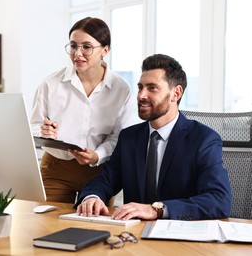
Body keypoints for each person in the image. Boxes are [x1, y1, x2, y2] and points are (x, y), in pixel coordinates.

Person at [76, 54, 232, 220]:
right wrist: (92, 197)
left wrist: (156, 210)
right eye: (140, 87)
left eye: (152, 88)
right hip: (134, 236)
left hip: (181, 236)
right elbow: (105, 181)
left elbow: (219, 200)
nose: (141, 95)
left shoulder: (203, 139)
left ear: (176, 93)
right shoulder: (129, 137)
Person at [30, 17, 137, 203]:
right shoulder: (50, 83)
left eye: (86, 47)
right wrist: (43, 130)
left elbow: (119, 136)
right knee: (47, 224)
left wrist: (98, 155)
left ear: (105, 49)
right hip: (56, 167)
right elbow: (33, 126)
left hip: (100, 172)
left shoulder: (122, 89)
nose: (77, 53)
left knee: (95, 227)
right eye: (73, 46)